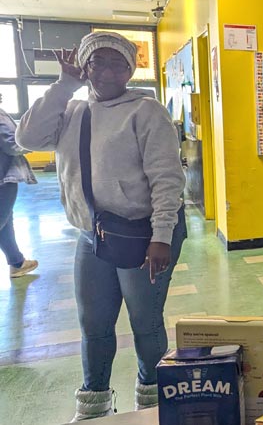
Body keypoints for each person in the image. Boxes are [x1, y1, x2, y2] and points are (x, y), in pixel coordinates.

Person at [17, 31, 186, 421]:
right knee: (93, 323)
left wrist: (161, 236)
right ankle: (94, 403)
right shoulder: (72, 111)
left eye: (117, 62)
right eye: (97, 61)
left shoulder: (146, 111)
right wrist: (64, 85)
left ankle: (152, 399)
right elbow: (27, 138)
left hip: (142, 235)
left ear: (130, 68)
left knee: (145, 323)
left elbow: (166, 178)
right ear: (85, 65)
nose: (107, 71)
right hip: (91, 234)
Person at [0, 100, 38, 278]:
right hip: (3, 177)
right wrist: (36, 142)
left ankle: (17, 262)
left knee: (5, 220)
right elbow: (12, 144)